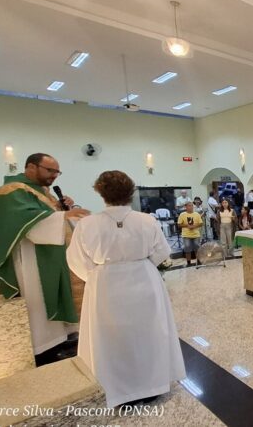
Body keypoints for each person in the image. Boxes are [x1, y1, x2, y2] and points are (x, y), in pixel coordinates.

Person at [66, 170, 185, 408]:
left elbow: (76, 259)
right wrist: (141, 267)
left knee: (111, 337)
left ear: (100, 192)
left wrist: (98, 275)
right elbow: (162, 251)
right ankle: (152, 384)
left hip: (105, 284)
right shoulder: (146, 220)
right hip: (144, 279)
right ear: (132, 192)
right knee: (149, 332)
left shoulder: (87, 224)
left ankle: (117, 388)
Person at [0, 153, 89, 358]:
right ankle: (44, 346)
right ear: (31, 167)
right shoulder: (10, 191)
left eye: (57, 172)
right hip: (32, 256)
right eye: (50, 170)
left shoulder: (42, 191)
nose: (54, 176)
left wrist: (65, 209)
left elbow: (53, 217)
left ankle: (62, 338)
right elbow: (25, 220)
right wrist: (63, 215)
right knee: (39, 297)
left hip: (52, 254)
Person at [178, 202, 203, 267]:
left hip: (196, 234)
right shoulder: (182, 214)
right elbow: (179, 224)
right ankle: (188, 262)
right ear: (186, 207)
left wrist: (194, 226)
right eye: (189, 206)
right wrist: (186, 225)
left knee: (197, 247)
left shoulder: (197, 214)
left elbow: (201, 223)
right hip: (186, 235)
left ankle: (198, 261)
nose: (191, 207)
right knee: (187, 247)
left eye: (192, 206)